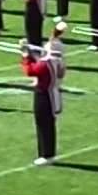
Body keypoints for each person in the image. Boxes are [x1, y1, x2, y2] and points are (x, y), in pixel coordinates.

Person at [20, 23, 66, 166]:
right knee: (49, 125)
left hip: (44, 94)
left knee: (42, 123)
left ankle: (46, 154)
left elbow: (30, 71)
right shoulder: (58, 62)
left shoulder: (46, 63)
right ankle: (48, 153)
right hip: (53, 93)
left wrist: (25, 56)